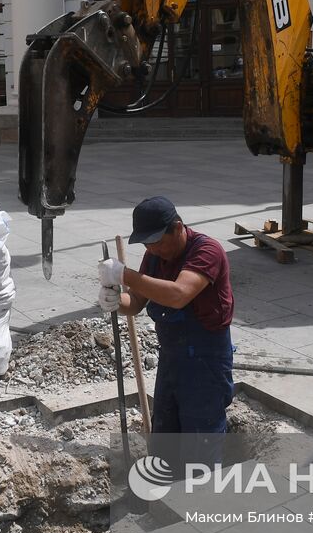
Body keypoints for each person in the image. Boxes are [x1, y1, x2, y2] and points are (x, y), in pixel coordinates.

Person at [99, 197, 234, 465]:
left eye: (159, 241)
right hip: (172, 359)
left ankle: (202, 500)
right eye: (148, 244)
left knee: (201, 442)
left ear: (178, 227)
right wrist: (115, 300)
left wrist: (125, 275)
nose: (154, 249)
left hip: (205, 362)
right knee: (165, 436)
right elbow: (136, 302)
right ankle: (165, 498)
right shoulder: (154, 257)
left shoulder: (207, 251)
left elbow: (179, 295)